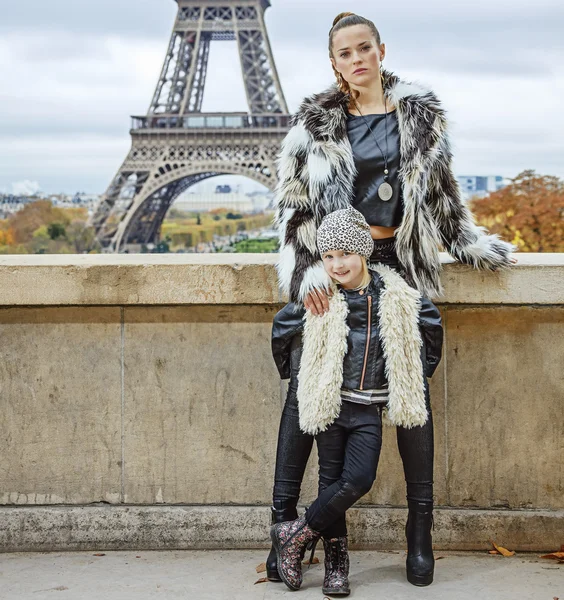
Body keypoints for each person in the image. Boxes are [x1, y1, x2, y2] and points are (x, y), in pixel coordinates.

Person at [266, 10, 516, 588]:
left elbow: (443, 200)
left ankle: (419, 532)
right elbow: (294, 211)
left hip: (397, 264)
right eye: (345, 53)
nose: (356, 59)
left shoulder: (420, 119)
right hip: (337, 265)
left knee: (411, 392)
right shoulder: (314, 125)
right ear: (334, 64)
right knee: (309, 385)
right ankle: (284, 524)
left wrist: (476, 246)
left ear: (381, 50)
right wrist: (310, 276)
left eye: (364, 48)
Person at [270, 207, 443, 595]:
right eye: (328, 256)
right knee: (331, 479)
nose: (336, 264)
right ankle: (336, 564)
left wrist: (414, 374)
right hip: (331, 405)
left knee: (360, 477)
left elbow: (431, 327)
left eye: (345, 254)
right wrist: (298, 376)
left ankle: (294, 534)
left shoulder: (393, 293)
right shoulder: (320, 295)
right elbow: (281, 329)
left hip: (367, 407)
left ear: (364, 251)